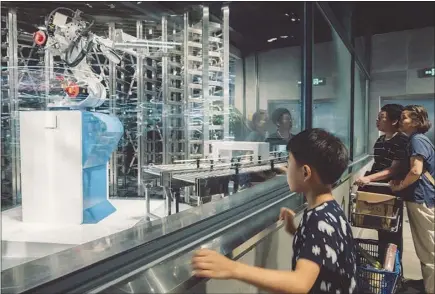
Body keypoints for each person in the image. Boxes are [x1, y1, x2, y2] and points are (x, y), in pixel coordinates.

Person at [192, 129, 357, 294]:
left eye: (289, 162)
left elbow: (300, 283)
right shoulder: (330, 209)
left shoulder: (319, 220)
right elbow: (324, 247)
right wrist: (296, 231)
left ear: (305, 173)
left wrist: (232, 268)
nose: (286, 168)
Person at [355, 104, 408, 262]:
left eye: (382, 117)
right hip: (378, 190)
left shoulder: (401, 141)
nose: (377, 120)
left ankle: (395, 271)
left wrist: (369, 178)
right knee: (381, 229)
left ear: (393, 121)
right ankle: (382, 266)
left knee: (392, 232)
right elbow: (378, 165)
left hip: (391, 190)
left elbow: (393, 170)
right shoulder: (380, 140)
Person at [390, 105, 434, 294]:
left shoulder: (417, 140)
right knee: (426, 246)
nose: (400, 121)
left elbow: (416, 171)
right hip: (422, 198)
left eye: (405, 118)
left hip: (421, 199)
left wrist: (399, 186)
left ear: (416, 122)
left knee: (428, 250)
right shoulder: (417, 140)